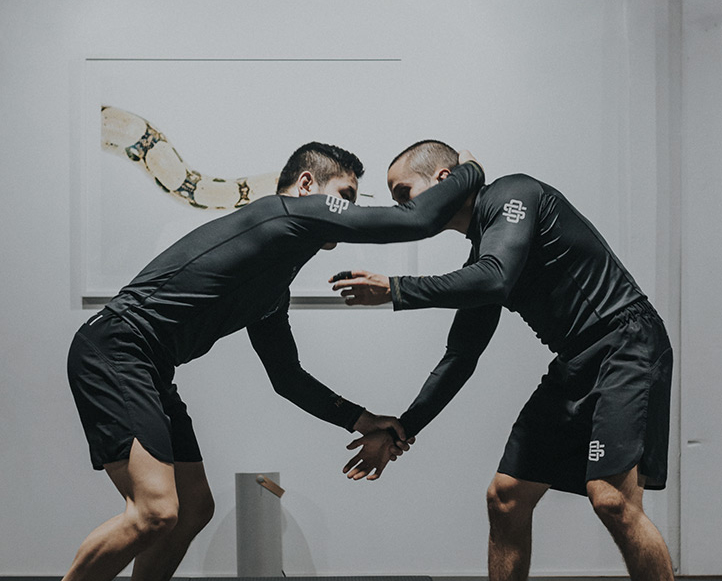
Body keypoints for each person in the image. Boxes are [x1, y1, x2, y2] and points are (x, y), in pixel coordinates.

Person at [64, 141, 486, 581]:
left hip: (149, 367)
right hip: (115, 348)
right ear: (307, 184)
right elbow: (416, 219)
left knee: (192, 510)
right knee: (154, 512)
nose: (347, 212)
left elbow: (286, 377)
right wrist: (469, 172)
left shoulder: (272, 284)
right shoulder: (284, 213)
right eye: (344, 196)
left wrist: (361, 419)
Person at [331, 140, 674, 581]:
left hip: (625, 342)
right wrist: (403, 429)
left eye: (404, 194)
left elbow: (496, 279)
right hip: (575, 360)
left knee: (612, 499)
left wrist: (396, 289)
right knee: (505, 498)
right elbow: (460, 356)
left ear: (442, 180)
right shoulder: (484, 253)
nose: (403, 209)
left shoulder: (513, 194)